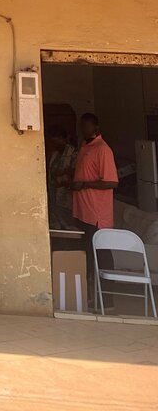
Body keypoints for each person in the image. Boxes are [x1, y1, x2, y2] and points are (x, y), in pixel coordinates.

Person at [71, 113, 118, 302]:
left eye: (87, 126)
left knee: (101, 254)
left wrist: (85, 184)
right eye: (81, 126)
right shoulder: (85, 146)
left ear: (96, 127)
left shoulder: (102, 149)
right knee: (88, 255)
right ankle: (90, 295)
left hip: (97, 214)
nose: (83, 130)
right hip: (83, 212)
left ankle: (107, 299)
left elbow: (112, 182)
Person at [46, 125, 77, 228]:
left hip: (67, 197)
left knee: (69, 225)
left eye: (56, 142)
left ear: (63, 139)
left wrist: (63, 173)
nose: (54, 145)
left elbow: (76, 173)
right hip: (54, 195)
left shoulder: (73, 153)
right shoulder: (54, 153)